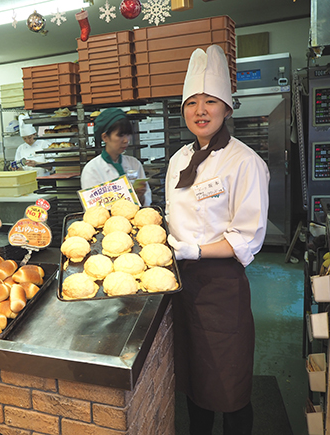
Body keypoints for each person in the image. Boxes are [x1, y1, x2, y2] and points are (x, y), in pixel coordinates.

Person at [165, 45, 270, 435]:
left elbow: (247, 237)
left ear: (227, 107)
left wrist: (197, 249)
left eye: (210, 101)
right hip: (180, 285)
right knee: (194, 380)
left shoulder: (245, 162)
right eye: (192, 102)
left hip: (222, 289)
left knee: (229, 384)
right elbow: (176, 215)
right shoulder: (178, 160)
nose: (200, 110)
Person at [80, 108, 152, 206]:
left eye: (128, 134)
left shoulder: (134, 164)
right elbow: (94, 210)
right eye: (121, 135)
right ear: (105, 137)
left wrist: (140, 196)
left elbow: (146, 202)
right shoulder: (92, 170)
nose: (126, 140)